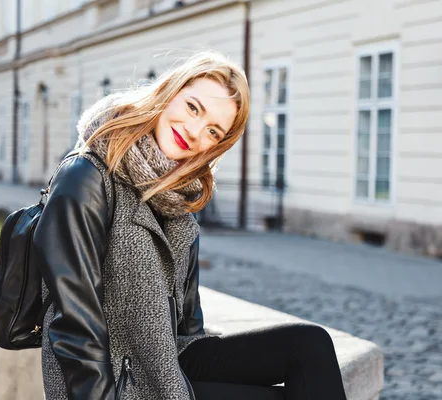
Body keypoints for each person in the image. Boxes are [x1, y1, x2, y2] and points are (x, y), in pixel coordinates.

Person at [35, 51, 347, 400]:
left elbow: (189, 325)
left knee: (309, 345)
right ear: (168, 93)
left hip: (164, 362)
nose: (195, 132)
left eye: (213, 131)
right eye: (193, 108)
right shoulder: (86, 176)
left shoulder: (178, 199)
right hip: (109, 382)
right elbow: (72, 320)